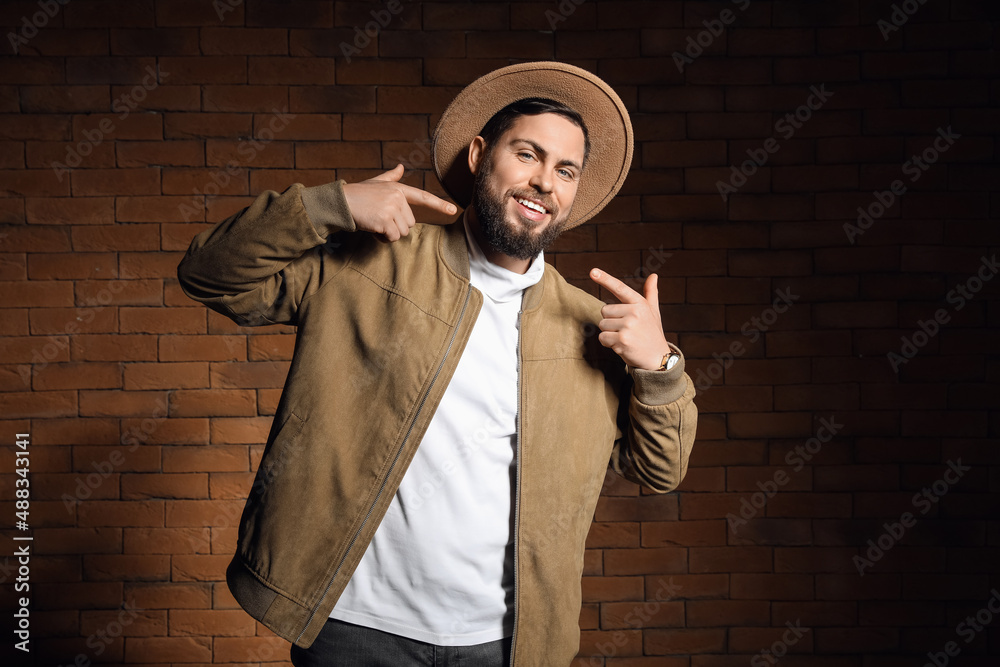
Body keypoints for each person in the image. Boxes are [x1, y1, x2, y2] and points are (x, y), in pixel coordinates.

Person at [177, 61, 697, 667]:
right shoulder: (372, 262)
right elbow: (210, 275)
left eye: (565, 170)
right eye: (527, 155)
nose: (544, 183)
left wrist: (660, 367)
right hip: (354, 628)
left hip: (503, 643)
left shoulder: (590, 322)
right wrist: (331, 205)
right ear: (480, 154)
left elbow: (659, 470)